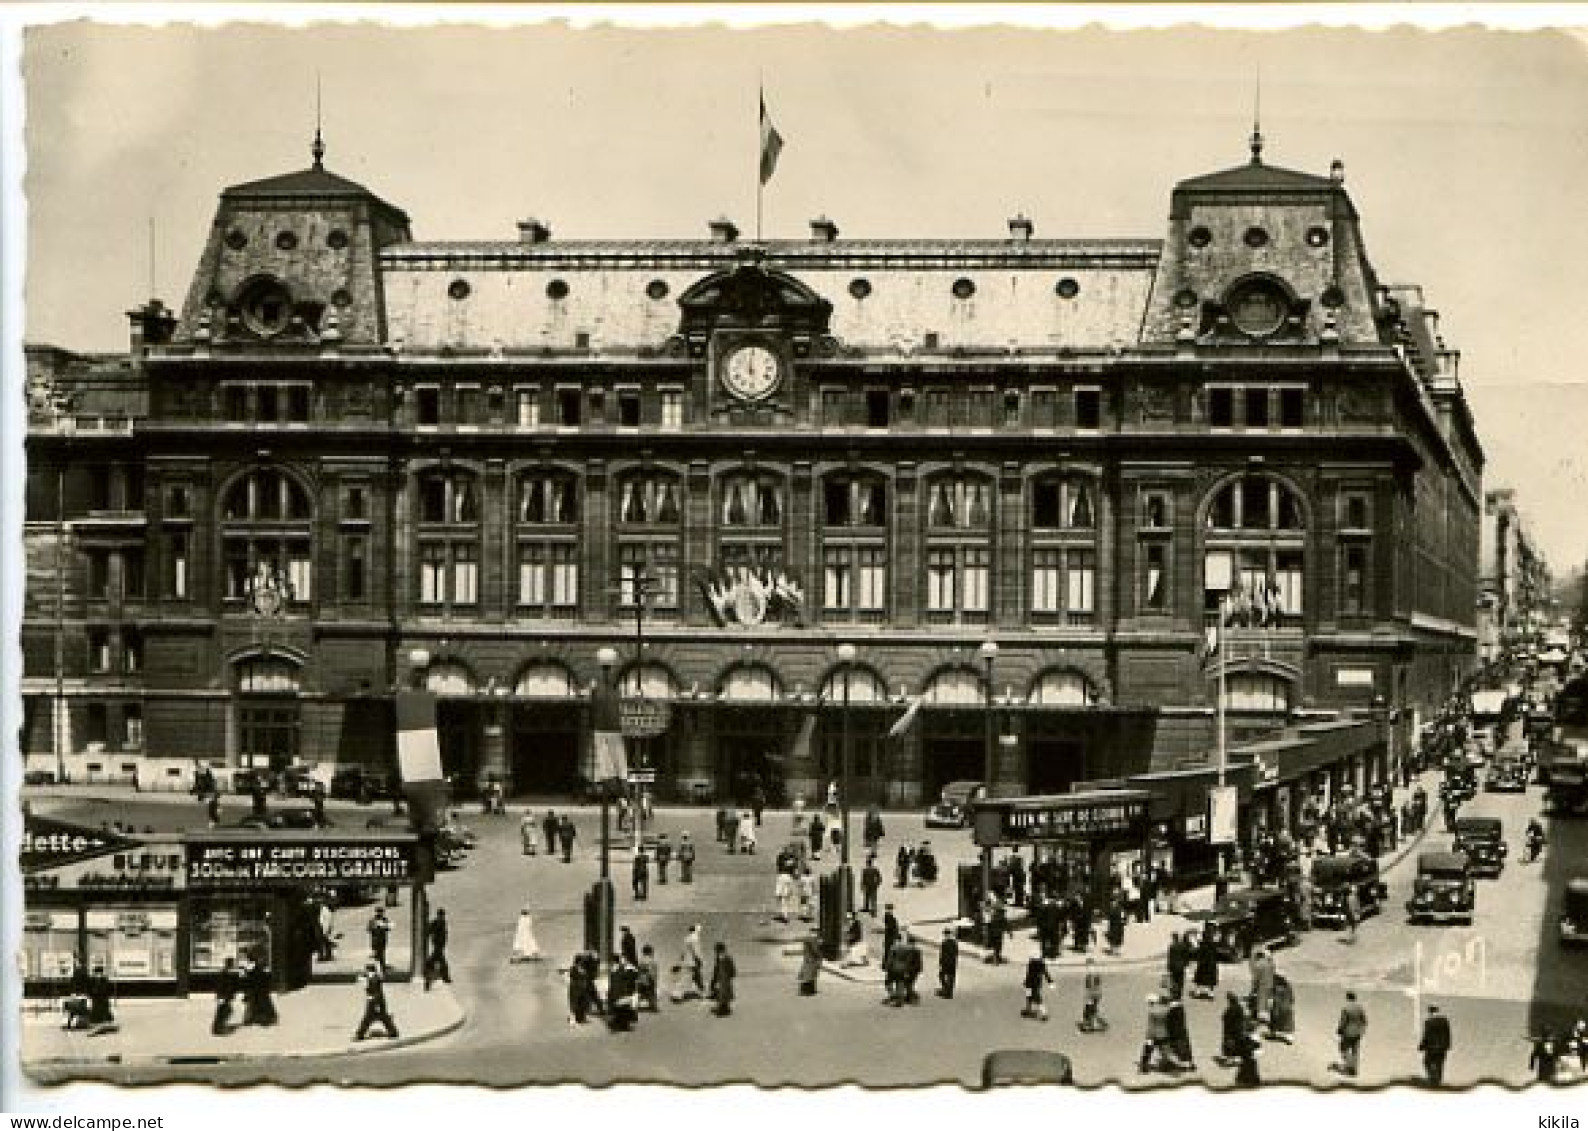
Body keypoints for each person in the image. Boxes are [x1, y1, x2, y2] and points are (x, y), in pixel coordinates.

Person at [354, 958, 399, 1040]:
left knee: (368, 1018)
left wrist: (373, 1000)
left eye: (366, 970)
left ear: (369, 970)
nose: (365, 972)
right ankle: (393, 1032)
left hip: (375, 1001)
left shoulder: (374, 979)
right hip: (377, 1000)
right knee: (382, 1017)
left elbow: (374, 990)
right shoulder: (373, 977)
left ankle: (360, 1034)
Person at [1334, 990, 1368, 1076]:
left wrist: (1339, 1030)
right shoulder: (1360, 1008)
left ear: (1347, 998)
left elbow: (1343, 1021)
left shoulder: (1346, 1008)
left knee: (1343, 1048)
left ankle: (1349, 1066)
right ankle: (1354, 1068)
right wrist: (1362, 1031)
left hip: (1348, 1032)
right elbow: (1364, 1021)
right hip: (1358, 1032)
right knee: (1355, 1050)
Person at [1139, 994, 1174, 1073]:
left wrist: (1148, 1036)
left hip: (1154, 1035)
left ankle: (1143, 1067)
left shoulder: (1153, 1012)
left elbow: (1151, 1026)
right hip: (1164, 1034)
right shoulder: (1167, 1011)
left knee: (1147, 1051)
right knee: (1165, 1051)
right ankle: (1165, 1066)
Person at [1419, 1004, 1453, 1086]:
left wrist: (1422, 1045)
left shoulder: (1429, 1022)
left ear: (1430, 1012)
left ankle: (1432, 1079)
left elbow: (1426, 1035)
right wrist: (1447, 1045)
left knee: (1427, 1062)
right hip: (1442, 1048)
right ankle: (1438, 1082)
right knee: (1439, 1064)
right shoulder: (1445, 1021)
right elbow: (1448, 1034)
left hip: (1431, 1048)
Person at [607, 953, 640, 1032]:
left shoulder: (624, 969)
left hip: (623, 992)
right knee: (622, 1009)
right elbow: (615, 983)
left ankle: (622, 1025)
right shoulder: (618, 969)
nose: (622, 961)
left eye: (624, 959)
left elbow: (632, 977)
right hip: (618, 993)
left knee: (624, 1009)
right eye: (621, 959)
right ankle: (619, 1025)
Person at [1166, 992, 1196, 1069]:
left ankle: (1181, 1064)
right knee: (1185, 1046)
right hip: (1182, 1030)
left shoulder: (1171, 1009)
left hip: (1175, 1032)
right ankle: (1189, 1063)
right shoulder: (1181, 1008)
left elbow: (1169, 1022)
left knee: (1177, 1048)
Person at [424, 908, 452, 990]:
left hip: (440, 946)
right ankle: (444, 978)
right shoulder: (436, 923)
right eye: (441, 915)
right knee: (439, 962)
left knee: (433, 962)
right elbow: (429, 931)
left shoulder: (443, 923)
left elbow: (444, 935)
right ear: (439, 915)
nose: (442, 917)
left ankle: (431, 980)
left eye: (443, 915)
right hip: (437, 946)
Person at [677, 924, 706, 1000]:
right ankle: (702, 993)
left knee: (690, 977)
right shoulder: (695, 938)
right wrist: (700, 960)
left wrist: (681, 961)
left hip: (687, 961)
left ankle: (679, 993)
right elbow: (696, 951)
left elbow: (682, 952)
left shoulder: (686, 938)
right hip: (693, 961)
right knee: (697, 977)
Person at [1021, 950, 1052, 1021]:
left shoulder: (1031, 964)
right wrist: (1050, 982)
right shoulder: (1042, 964)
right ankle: (1028, 1009)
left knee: (1034, 997)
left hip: (1030, 984)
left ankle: (1044, 1013)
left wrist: (1025, 982)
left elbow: (1029, 974)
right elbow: (1046, 973)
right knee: (1031, 996)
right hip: (1037, 984)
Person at [212, 956, 239, 1036]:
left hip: (226, 996)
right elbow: (220, 986)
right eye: (232, 964)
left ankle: (219, 1027)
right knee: (223, 1011)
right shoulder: (224, 973)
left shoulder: (227, 973)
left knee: (225, 1011)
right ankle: (218, 1029)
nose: (233, 965)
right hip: (224, 996)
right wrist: (220, 996)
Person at [1079, 958, 1108, 1032]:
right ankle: (1093, 1023)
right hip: (1093, 994)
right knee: (1091, 1009)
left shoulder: (1093, 975)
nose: (1089, 968)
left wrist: (1090, 996)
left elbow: (1094, 986)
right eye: (1088, 967)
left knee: (1089, 1009)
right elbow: (1089, 986)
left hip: (1093, 994)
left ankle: (1092, 1024)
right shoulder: (1090, 975)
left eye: (1090, 966)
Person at [710, 942, 737, 1017]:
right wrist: (714, 979)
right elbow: (716, 968)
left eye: (717, 951)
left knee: (724, 992)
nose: (716, 952)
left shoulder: (726, 958)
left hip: (725, 978)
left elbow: (732, 969)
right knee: (723, 993)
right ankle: (724, 1008)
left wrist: (714, 979)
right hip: (722, 978)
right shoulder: (721, 958)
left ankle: (723, 1009)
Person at [1191, 928, 1220, 999]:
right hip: (1211, 964)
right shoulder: (1213, 945)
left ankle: (1197, 992)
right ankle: (1211, 994)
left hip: (1202, 964)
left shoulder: (1202, 945)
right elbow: (1217, 954)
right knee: (1211, 979)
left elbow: (1198, 954)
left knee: (1199, 979)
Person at [1268, 973, 1296, 1045]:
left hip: (1279, 1007)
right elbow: (1292, 999)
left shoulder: (1276, 988)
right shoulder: (1287, 987)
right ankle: (1289, 1037)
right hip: (1287, 1008)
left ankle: (1273, 1033)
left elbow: (1273, 998)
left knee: (1275, 1019)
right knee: (1287, 1022)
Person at [797, 930, 823, 996]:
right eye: (816, 933)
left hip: (807, 959)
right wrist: (819, 955)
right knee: (811, 975)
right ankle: (808, 991)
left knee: (807, 975)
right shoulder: (813, 940)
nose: (817, 934)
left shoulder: (807, 939)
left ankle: (805, 990)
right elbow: (815, 950)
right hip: (812, 960)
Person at [368, 907, 392, 971]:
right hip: (375, 939)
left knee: (382, 953)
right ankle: (377, 966)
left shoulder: (385, 920)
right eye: (379, 912)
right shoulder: (373, 920)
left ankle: (382, 966)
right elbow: (369, 929)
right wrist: (376, 927)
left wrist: (384, 926)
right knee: (376, 953)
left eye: (381, 912)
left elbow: (389, 927)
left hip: (382, 939)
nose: (380, 913)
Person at [637, 945, 660, 1012]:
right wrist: (654, 979)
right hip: (649, 979)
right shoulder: (651, 961)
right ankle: (653, 1006)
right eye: (652, 952)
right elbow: (652, 971)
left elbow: (639, 970)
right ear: (650, 952)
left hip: (641, 979)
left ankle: (636, 1006)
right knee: (651, 993)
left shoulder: (641, 960)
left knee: (641, 993)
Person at [938, 928, 959, 998]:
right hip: (953, 963)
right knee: (951, 978)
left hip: (946, 963)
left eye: (945, 934)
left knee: (941, 976)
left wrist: (940, 962)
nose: (945, 936)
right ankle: (949, 992)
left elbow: (942, 954)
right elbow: (956, 953)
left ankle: (946, 990)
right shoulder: (954, 943)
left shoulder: (944, 943)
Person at [986, 899, 1008, 964]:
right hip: (997, 934)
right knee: (997, 946)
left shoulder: (994, 917)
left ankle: (996, 958)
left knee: (996, 946)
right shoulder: (999, 917)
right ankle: (996, 959)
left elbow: (989, 925)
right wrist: (1009, 932)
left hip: (995, 934)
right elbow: (1006, 924)